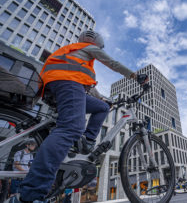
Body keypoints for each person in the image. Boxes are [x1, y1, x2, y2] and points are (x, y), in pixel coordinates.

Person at [9, 30, 148, 203]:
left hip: (57, 87)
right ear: (97, 42)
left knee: (102, 107)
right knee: (70, 128)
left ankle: (87, 142)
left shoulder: (72, 53)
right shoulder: (88, 48)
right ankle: (31, 195)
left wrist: (103, 99)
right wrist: (135, 76)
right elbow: (112, 63)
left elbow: (87, 86)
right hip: (67, 84)